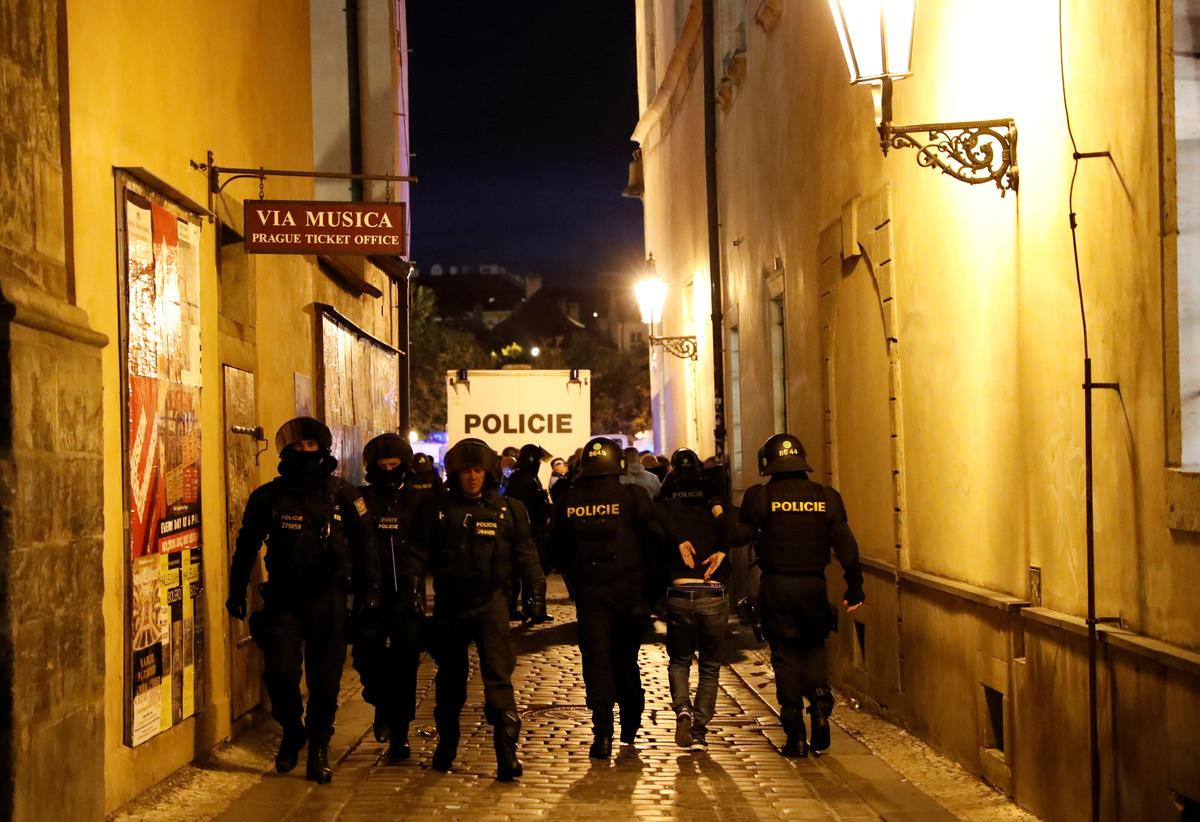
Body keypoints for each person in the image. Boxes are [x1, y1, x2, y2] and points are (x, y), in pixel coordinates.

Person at [226, 417, 380, 783]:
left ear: (323, 450)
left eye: (311, 446)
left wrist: (370, 592)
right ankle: (293, 730)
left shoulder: (345, 495)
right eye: (299, 446)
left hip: (329, 597)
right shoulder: (269, 497)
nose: (305, 452)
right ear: (287, 451)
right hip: (284, 597)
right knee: (280, 673)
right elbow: (246, 545)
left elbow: (366, 546)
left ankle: (319, 746)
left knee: (325, 679)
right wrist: (236, 590)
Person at [405, 437, 547, 780]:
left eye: (478, 471)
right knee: (450, 679)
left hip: (493, 602)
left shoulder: (509, 509)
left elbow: (526, 553)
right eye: (467, 471)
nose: (472, 477)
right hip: (451, 604)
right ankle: (447, 742)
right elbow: (416, 554)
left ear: (488, 473)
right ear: (456, 473)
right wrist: (412, 593)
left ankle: (506, 751)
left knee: (498, 675)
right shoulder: (436, 509)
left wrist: (536, 593)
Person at [739, 433, 864, 758]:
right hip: (813, 585)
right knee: (814, 646)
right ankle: (820, 705)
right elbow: (845, 543)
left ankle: (795, 734)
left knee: (785, 654)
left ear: (768, 463)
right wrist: (854, 585)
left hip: (777, 585)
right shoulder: (826, 497)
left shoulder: (760, 497)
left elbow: (740, 533)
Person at [551, 437, 667, 759]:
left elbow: (555, 550)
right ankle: (630, 725)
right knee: (626, 658)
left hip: (590, 593)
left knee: (597, 661)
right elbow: (656, 540)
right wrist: (650, 590)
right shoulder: (633, 495)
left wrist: (575, 581)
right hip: (629, 591)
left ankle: (602, 733)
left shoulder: (568, 501)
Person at [657, 447, 754, 751]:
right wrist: (722, 547)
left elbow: (653, 524)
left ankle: (682, 709)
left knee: (679, 660)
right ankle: (699, 732)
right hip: (712, 591)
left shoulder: (668, 501)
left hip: (680, 591)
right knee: (710, 666)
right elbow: (733, 525)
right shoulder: (713, 499)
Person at [350, 433, 426, 761]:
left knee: (405, 662)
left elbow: (427, 544)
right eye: (382, 465)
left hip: (407, 592)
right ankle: (382, 702)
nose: (388, 470)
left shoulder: (420, 500)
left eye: (393, 464)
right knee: (366, 652)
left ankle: (400, 731)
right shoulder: (362, 498)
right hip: (371, 589)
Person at [503, 444, 553, 610]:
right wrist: (537, 498)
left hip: (533, 528)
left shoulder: (526, 477)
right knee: (530, 570)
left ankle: (528, 607)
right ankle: (529, 607)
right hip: (529, 530)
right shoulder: (523, 478)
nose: (539, 464)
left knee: (531, 570)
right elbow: (521, 503)